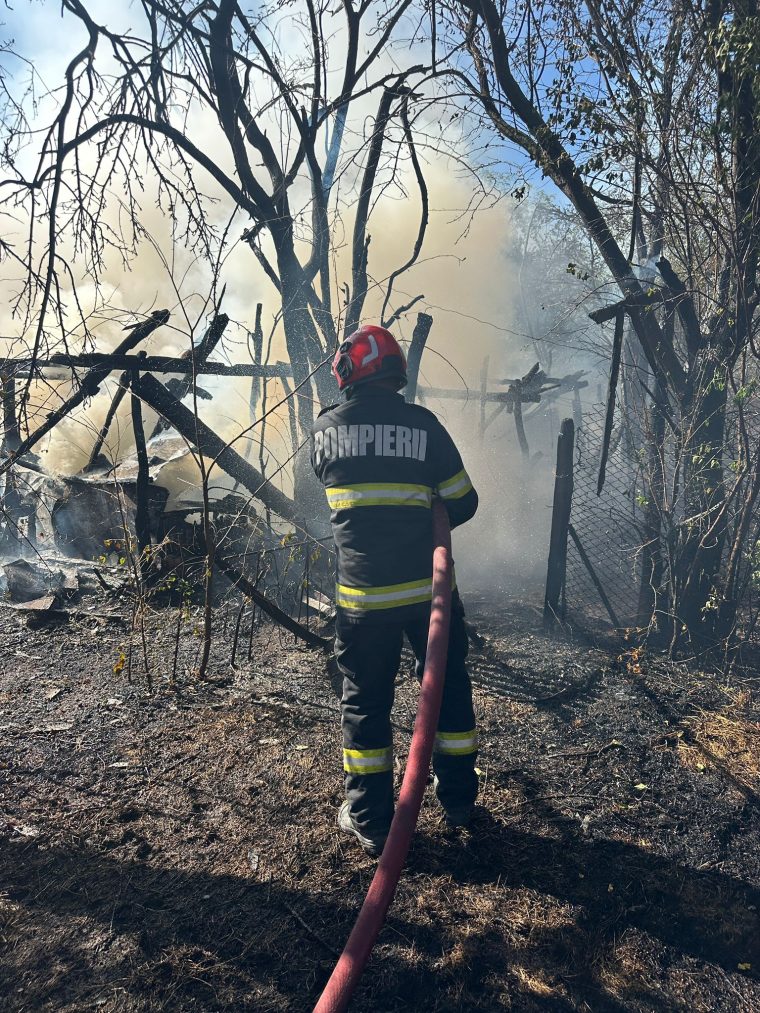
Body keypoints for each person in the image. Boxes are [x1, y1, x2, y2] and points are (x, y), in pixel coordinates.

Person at [311, 324, 480, 857]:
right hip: (428, 599)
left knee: (365, 704)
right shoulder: (423, 427)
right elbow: (464, 502)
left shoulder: (324, 431)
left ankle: (370, 818)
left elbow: (325, 488)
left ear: (348, 372)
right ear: (397, 372)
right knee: (447, 688)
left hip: (362, 602)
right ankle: (457, 798)